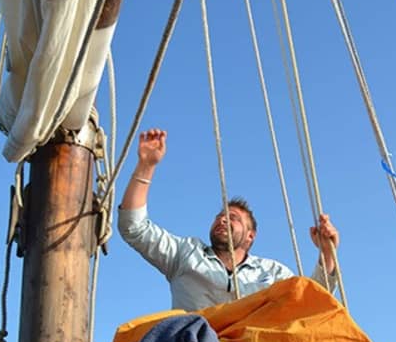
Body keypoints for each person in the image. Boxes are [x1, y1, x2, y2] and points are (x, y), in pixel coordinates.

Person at [118, 128, 340, 311]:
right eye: (219, 216)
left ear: (251, 236)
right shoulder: (184, 253)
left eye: (233, 218)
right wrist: (146, 166)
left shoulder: (272, 273)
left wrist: (327, 253)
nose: (223, 220)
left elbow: (309, 301)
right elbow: (134, 228)